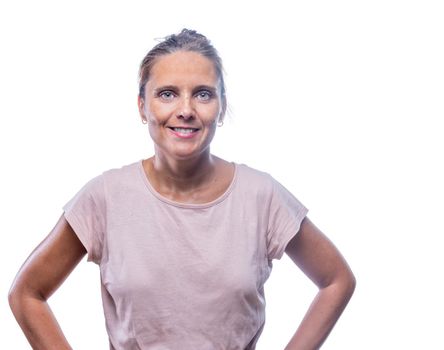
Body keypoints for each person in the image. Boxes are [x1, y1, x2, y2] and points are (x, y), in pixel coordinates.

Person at [8, 29, 356, 350]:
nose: (186, 110)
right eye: (167, 94)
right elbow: (26, 293)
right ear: (143, 106)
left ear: (220, 108)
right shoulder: (105, 198)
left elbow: (336, 280)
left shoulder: (261, 197)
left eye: (202, 94)